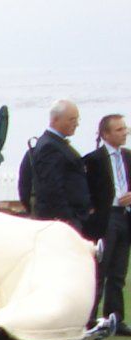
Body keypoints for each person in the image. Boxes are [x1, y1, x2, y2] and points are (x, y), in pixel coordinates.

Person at [85, 113, 130, 327]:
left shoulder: (128, 156)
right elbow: (87, 192)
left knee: (119, 272)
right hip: (106, 218)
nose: (125, 133)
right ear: (106, 134)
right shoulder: (94, 160)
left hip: (125, 217)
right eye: (119, 129)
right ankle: (90, 317)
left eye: (125, 128)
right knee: (100, 270)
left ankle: (115, 318)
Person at [23, 100, 89, 234]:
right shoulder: (50, 146)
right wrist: (69, 218)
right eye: (72, 119)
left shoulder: (56, 143)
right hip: (63, 221)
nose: (76, 124)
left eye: (77, 119)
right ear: (55, 120)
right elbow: (52, 188)